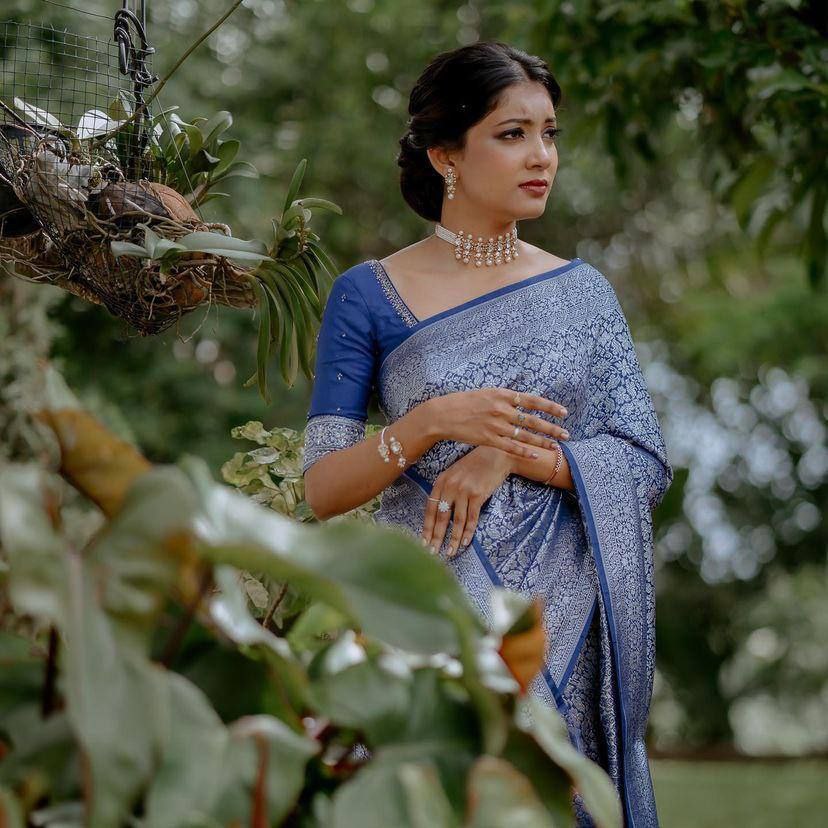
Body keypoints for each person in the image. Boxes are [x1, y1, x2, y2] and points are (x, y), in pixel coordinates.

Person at [302, 40, 672, 828]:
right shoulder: (367, 296)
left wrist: (503, 454)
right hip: (436, 621)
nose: (541, 156)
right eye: (512, 134)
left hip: (573, 627)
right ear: (446, 155)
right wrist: (430, 423)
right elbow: (322, 487)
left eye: (549, 133)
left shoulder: (585, 295)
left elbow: (641, 463)